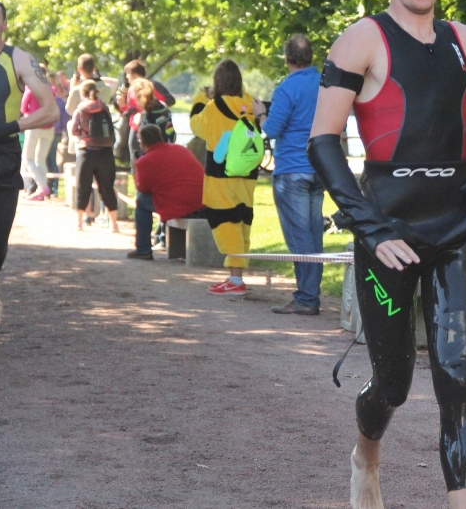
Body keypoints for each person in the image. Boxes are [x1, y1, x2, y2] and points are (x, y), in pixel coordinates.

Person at [307, 0, 466, 509]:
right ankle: (365, 455)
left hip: (453, 231)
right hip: (388, 236)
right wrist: (369, 229)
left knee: (457, 379)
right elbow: (322, 141)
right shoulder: (361, 40)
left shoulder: (462, 39)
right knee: (394, 384)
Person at [0, 0, 59, 349]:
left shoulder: (18, 59)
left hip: (4, 156)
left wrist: (9, 127)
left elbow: (50, 111)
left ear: (4, 24)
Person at [251, 34, 324, 316]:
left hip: (292, 168)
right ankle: (309, 295)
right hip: (319, 168)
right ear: (311, 57)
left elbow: (271, 130)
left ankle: (306, 299)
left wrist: (260, 114)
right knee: (314, 235)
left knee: (299, 238)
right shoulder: (325, 85)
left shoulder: (286, 89)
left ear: (287, 58)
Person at [189, 60, 259, 296]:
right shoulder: (250, 104)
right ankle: (235, 276)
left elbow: (196, 126)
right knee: (241, 222)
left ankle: (236, 280)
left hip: (221, 175)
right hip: (247, 175)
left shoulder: (213, 106)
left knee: (225, 222)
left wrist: (201, 99)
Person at [128, 124, 205, 260]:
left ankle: (143, 249)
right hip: (202, 200)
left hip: (180, 204)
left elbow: (143, 189)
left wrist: (135, 168)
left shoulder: (145, 161)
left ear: (142, 142)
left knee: (141, 201)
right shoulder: (179, 148)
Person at [70, 80, 120, 233]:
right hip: (106, 152)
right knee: (107, 187)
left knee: (83, 186)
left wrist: (83, 135)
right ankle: (114, 224)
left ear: (82, 93)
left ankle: (79, 223)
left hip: (87, 151)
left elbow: (74, 130)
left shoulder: (80, 109)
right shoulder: (104, 107)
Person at [118, 59, 175, 164]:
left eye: (128, 74)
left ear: (134, 74)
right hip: (136, 128)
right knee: (136, 160)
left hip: (153, 127)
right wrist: (122, 106)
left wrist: (148, 110)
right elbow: (130, 110)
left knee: (151, 160)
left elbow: (170, 101)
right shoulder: (130, 88)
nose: (126, 77)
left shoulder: (152, 85)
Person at [20, 66, 57, 200]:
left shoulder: (30, 89)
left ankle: (42, 187)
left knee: (27, 158)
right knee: (40, 159)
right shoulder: (52, 89)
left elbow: (23, 108)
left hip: (34, 126)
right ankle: (43, 190)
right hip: (49, 127)